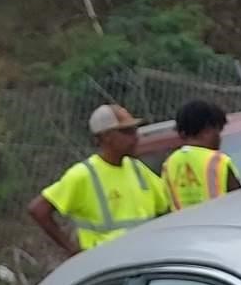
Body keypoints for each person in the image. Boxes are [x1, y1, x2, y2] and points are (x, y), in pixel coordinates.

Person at [30, 104, 171, 257]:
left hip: (143, 260)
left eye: (134, 130)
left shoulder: (137, 168)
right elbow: (38, 210)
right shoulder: (84, 174)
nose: (136, 136)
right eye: (127, 132)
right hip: (107, 266)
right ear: (106, 137)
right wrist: (74, 252)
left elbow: (166, 203)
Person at [163, 98, 241, 210]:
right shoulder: (218, 161)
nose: (220, 138)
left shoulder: (168, 165)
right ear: (208, 129)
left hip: (186, 226)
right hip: (221, 223)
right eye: (219, 131)